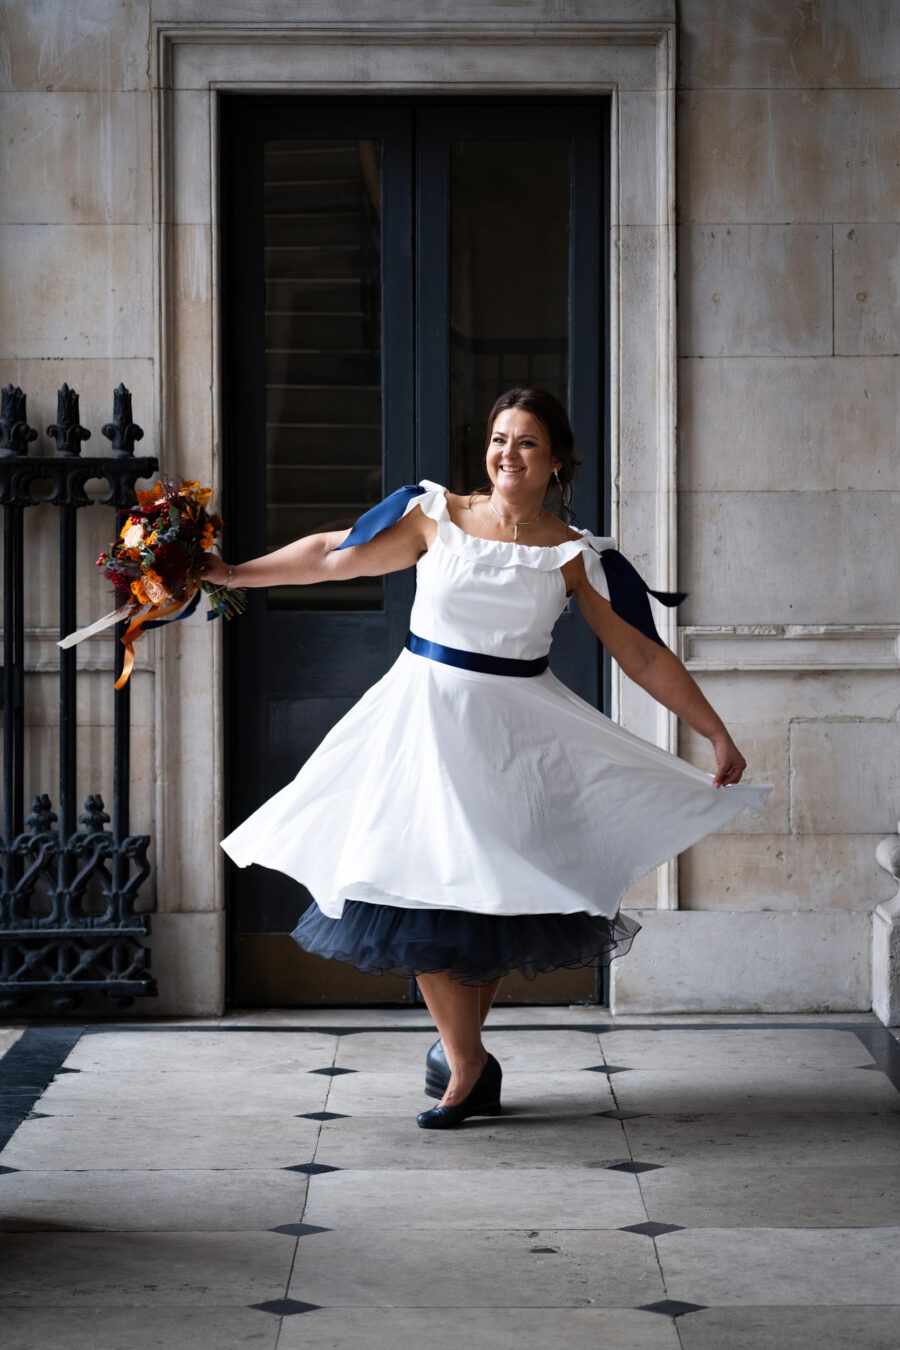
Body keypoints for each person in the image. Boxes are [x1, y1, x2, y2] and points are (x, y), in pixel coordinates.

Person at [204, 387, 770, 1130]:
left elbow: (639, 652)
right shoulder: (437, 516)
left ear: (557, 460)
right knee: (418, 884)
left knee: (491, 897)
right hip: (421, 726)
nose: (508, 452)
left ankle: (461, 1055)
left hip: (514, 742)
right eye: (500, 438)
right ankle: (466, 1062)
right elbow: (333, 556)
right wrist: (233, 573)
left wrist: (716, 732)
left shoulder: (574, 554)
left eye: (528, 442)